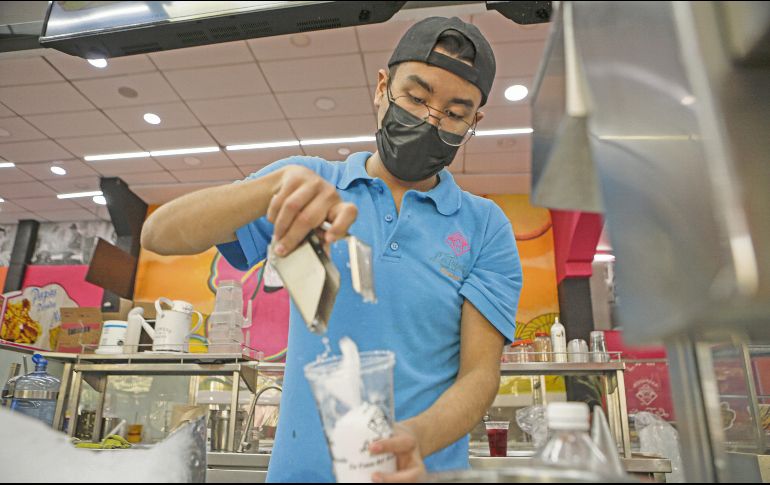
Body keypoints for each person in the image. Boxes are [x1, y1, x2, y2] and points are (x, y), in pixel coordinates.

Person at [142, 16, 522, 483]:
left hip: (419, 471)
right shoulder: (308, 183)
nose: (429, 120)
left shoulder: (485, 227)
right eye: (417, 98)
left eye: (454, 113)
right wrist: (271, 188)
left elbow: (480, 375)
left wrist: (414, 439)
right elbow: (159, 234)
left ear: (474, 122)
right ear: (382, 88)